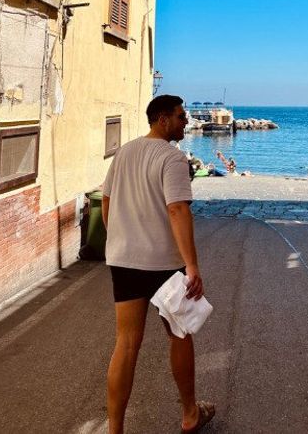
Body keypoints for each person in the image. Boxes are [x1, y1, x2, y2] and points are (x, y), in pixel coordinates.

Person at [102, 94, 215, 434]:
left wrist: (119, 238)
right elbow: (177, 209)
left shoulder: (124, 153)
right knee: (179, 334)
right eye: (181, 117)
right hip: (164, 263)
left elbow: (106, 201)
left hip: (124, 259)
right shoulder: (172, 158)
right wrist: (192, 266)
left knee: (126, 343)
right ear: (163, 119)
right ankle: (190, 414)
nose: (186, 122)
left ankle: (115, 430)